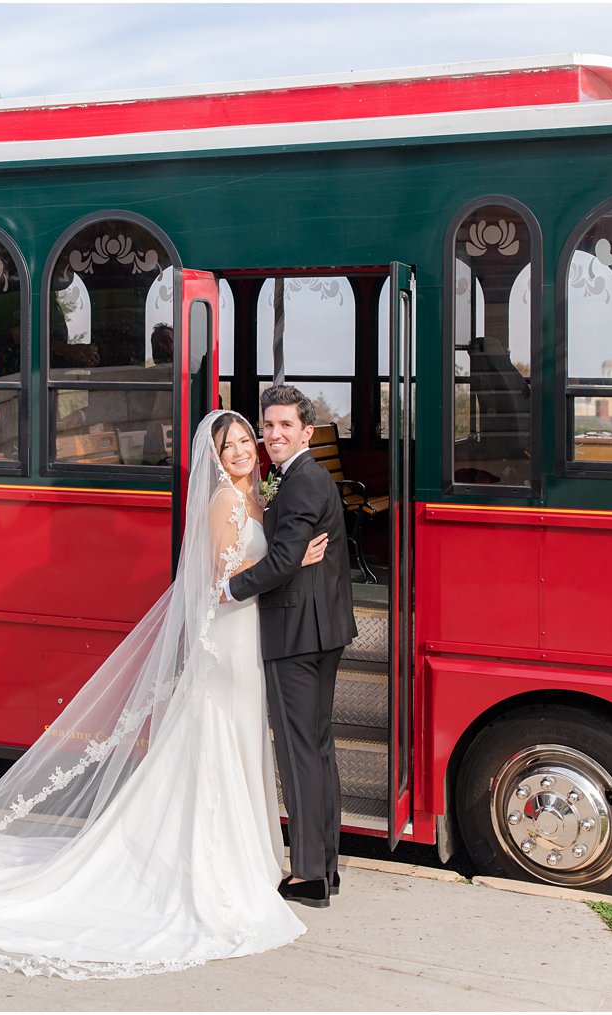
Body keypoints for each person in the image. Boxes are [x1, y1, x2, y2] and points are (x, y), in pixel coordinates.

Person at [0, 410, 331, 978]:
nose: (242, 452)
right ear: (213, 455)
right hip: (228, 640)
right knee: (222, 743)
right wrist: (288, 563)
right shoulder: (224, 505)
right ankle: (222, 861)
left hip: (250, 639)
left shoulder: (257, 499)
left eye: (245, 442)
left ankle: (251, 858)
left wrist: (284, 561)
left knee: (243, 741)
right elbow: (218, 583)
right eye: (228, 446)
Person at [226, 383, 357, 908]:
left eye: (285, 426)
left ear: (307, 430)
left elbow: (282, 561)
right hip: (321, 628)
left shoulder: (301, 481)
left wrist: (226, 590)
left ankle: (307, 875)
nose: (274, 434)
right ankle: (324, 866)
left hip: (296, 633)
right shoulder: (302, 476)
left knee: (300, 753)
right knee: (318, 750)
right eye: (269, 425)